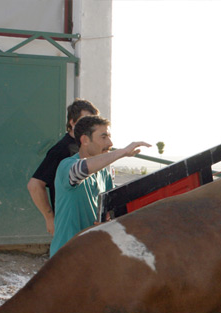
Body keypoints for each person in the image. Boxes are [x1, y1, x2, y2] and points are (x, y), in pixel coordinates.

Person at [50, 115, 150, 257]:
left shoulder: (105, 172)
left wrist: (109, 223)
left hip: (92, 255)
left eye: (109, 136)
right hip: (65, 258)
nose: (110, 142)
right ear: (84, 140)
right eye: (103, 137)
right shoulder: (66, 166)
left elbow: (112, 210)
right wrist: (122, 152)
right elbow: (82, 169)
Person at [28, 99, 99, 236]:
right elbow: (34, 185)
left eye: (92, 122)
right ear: (72, 122)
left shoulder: (86, 148)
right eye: (84, 121)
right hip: (68, 226)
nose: (88, 126)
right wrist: (50, 219)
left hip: (86, 223)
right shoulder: (62, 150)